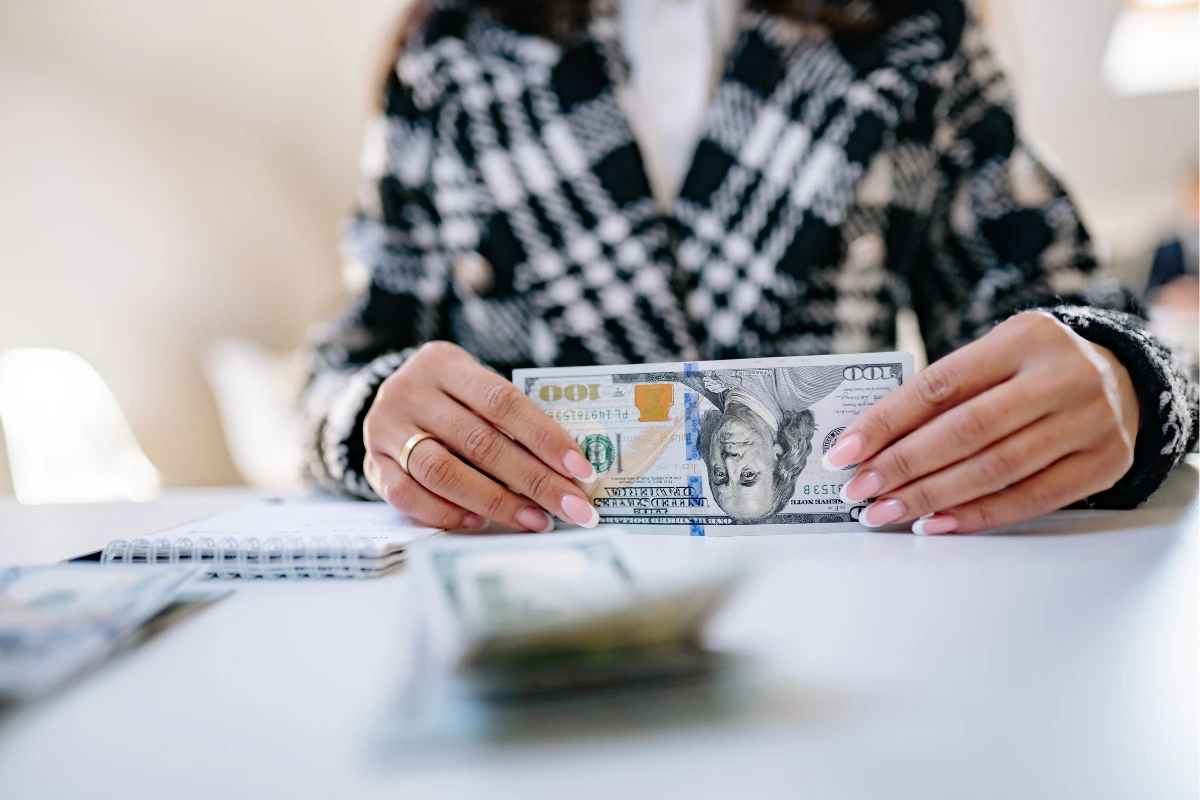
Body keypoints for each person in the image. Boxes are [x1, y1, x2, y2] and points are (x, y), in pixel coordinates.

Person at [302, 0, 1198, 536]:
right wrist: (377, 425)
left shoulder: (917, 31)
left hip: (858, 617)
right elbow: (345, 373)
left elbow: (1077, 317)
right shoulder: (449, 52)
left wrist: (1122, 380)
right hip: (541, 626)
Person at [686, 366, 846, 521]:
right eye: (748, 475)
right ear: (779, 455)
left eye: (720, 474)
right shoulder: (805, 383)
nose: (729, 461)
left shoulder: (696, 380)